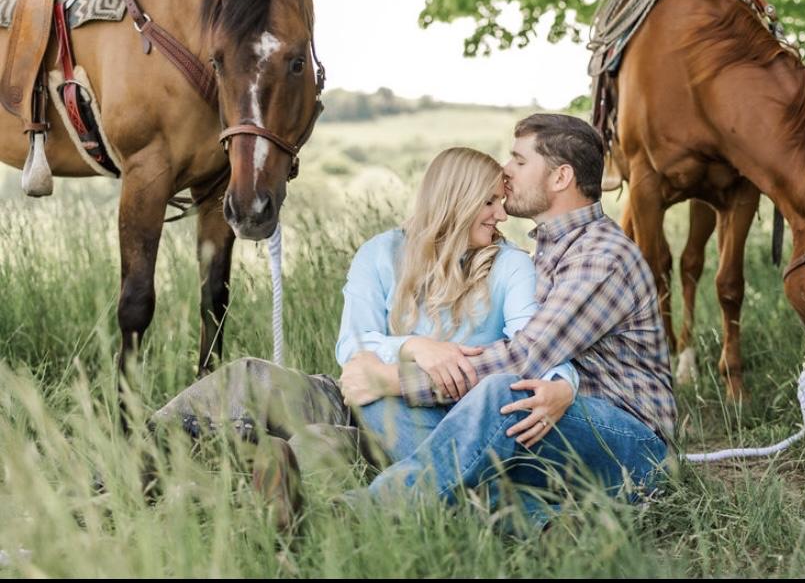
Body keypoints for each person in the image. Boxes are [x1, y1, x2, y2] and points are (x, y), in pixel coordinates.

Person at [148, 146, 577, 529]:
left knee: (314, 450)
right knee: (248, 376)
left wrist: (563, 384)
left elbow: (535, 345)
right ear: (455, 201)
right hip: (353, 397)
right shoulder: (382, 253)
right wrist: (413, 347)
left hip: (425, 425)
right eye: (489, 202)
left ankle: (260, 518)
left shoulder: (510, 268)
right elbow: (352, 345)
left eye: (500, 202)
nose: (501, 215)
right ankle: (130, 468)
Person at [345, 113, 676, 529]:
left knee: (498, 390)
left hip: (630, 448)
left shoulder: (600, 258)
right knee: (388, 408)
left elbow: (523, 359)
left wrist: (394, 378)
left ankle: (363, 513)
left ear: (560, 178)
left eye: (519, 161)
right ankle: (534, 522)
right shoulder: (551, 251)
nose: (504, 170)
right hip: (552, 424)